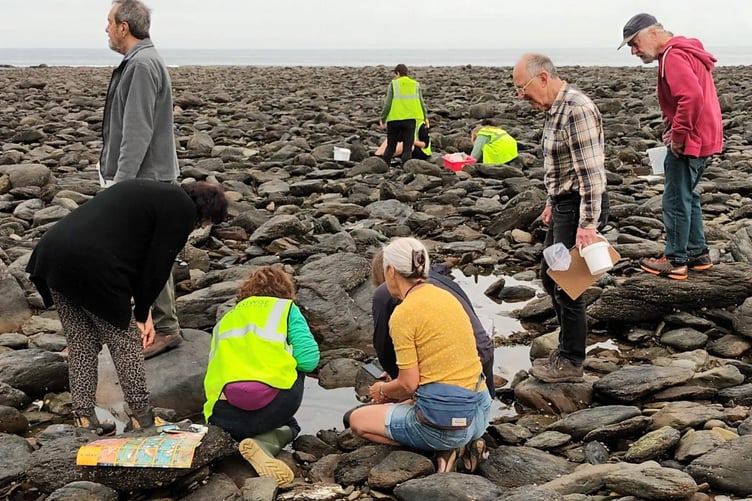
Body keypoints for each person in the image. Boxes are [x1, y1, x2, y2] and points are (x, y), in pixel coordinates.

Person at [26, 180, 228, 434]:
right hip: (92, 265)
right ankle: (141, 416)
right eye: (204, 223)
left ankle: (84, 419)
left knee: (82, 344)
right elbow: (157, 266)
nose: (200, 228)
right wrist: (143, 313)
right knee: (126, 342)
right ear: (204, 212)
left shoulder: (148, 191)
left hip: (52, 255)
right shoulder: (182, 209)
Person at [349, 238, 492, 473]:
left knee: (358, 421)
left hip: (449, 424)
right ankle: (460, 442)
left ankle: (442, 449)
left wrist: (381, 390)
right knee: (415, 400)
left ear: (391, 271)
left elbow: (407, 384)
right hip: (481, 412)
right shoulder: (445, 296)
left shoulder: (404, 313)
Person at [512, 54, 608, 383]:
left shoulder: (576, 109)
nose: (521, 96)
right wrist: (553, 201)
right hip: (565, 203)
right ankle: (566, 347)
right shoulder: (555, 110)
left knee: (568, 285)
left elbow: (592, 173)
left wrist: (588, 224)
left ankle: (571, 361)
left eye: (522, 88)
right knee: (550, 276)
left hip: (581, 205)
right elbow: (563, 165)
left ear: (542, 78)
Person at [101, 0, 183, 358]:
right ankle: (155, 324)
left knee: (154, 254)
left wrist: (119, 187)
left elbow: (137, 132)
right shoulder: (140, 62)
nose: (105, 29)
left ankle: (165, 328)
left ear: (123, 27)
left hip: (147, 181)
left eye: (108, 22)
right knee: (148, 252)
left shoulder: (142, 65)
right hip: (148, 179)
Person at [618, 14, 723, 280]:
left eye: (635, 42)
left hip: (691, 141)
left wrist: (677, 136)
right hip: (706, 137)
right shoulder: (687, 52)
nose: (633, 50)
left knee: (675, 199)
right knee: (689, 195)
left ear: (653, 32)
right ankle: (698, 254)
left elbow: (690, 97)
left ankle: (675, 260)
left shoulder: (673, 56)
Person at [203, 266, 320, 486]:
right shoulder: (285, 309)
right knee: (292, 424)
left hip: (223, 415)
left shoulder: (226, 320)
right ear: (285, 291)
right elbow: (309, 359)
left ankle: (241, 440)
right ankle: (264, 444)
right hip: (272, 409)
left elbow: (212, 368)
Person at [370, 250, 495, 398]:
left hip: (455, 371)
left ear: (389, 272)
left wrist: (392, 381)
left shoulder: (384, 293)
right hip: (483, 352)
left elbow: (383, 347)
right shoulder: (434, 279)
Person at [379, 64, 429, 166]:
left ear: (397, 73)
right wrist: (425, 117)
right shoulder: (415, 84)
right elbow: (421, 102)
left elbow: (387, 103)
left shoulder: (394, 84)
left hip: (394, 119)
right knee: (408, 146)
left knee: (391, 146)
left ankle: (383, 166)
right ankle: (406, 168)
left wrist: (382, 118)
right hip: (410, 119)